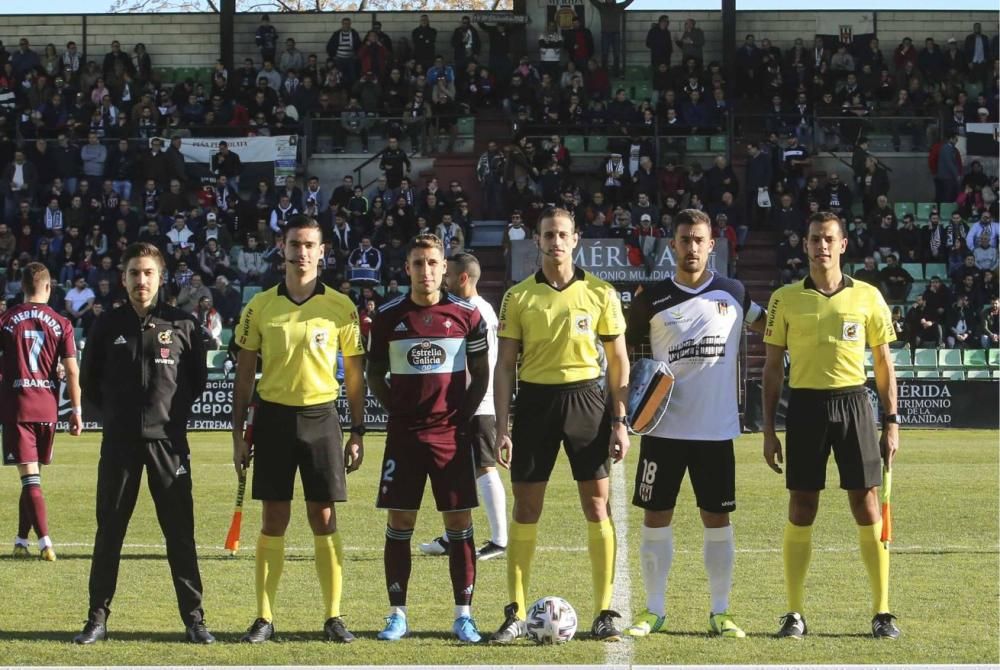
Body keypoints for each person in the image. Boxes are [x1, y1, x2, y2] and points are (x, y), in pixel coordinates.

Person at [623, 210, 766, 638]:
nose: (691, 247)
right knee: (655, 518)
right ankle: (653, 610)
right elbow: (622, 349)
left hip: (715, 431)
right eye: (684, 240)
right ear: (673, 245)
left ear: (711, 245)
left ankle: (720, 612)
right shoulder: (651, 296)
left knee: (717, 521)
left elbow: (772, 326)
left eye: (699, 240)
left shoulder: (734, 293)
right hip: (663, 429)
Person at [490, 207, 630, 643]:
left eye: (562, 234)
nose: (555, 241)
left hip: (587, 401)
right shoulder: (518, 297)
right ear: (537, 240)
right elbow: (505, 366)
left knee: (597, 506)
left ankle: (605, 610)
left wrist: (619, 420)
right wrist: (502, 426)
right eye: (548, 234)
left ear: (576, 240)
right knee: (526, 508)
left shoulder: (602, 293)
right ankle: (514, 612)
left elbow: (619, 361)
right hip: (535, 403)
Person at [762, 211, 901, 641]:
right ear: (804, 245)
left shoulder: (869, 297)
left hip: (855, 404)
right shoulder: (784, 299)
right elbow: (771, 368)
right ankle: (794, 612)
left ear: (843, 245)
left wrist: (891, 422)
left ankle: (882, 611)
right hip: (804, 407)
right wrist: (768, 430)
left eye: (829, 239)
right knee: (803, 506)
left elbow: (883, 364)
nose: (821, 246)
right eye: (814, 239)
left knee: (867, 504)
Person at [232, 214, 366, 644]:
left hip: (321, 418)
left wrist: (358, 430)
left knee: (323, 516)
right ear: (283, 248)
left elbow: (356, 375)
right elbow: (244, 374)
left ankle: (333, 616)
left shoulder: (341, 307)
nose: (302, 252)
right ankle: (264, 618)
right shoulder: (260, 306)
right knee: (274, 518)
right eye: (295, 244)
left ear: (322, 251)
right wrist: (238, 435)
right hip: (273, 419)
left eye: (310, 245)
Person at [75, 242, 212, 645]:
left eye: (148, 273)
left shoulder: (183, 324)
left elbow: (196, 383)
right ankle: (97, 619)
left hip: (169, 447)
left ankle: (195, 619)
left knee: (180, 534)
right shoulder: (106, 325)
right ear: (123, 278)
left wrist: (169, 422)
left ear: (160, 277)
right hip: (119, 446)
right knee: (109, 532)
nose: (141, 280)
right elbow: (89, 383)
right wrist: (118, 421)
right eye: (134, 273)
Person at [366, 236, 490, 643]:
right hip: (404, 435)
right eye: (418, 263)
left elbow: (481, 375)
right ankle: (397, 614)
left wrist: (461, 418)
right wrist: (397, 412)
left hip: (449, 435)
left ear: (444, 269)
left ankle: (463, 615)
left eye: (432, 263)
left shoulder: (467, 315)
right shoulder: (387, 316)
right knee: (400, 520)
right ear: (407, 268)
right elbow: (373, 374)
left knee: (459, 522)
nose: (425, 270)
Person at [419, 253, 508, 561]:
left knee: (484, 467)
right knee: (456, 469)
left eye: (448, 275)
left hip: (477, 403)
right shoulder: (474, 309)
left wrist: (474, 399)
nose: (442, 281)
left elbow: (487, 363)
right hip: (463, 402)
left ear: (462, 279)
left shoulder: (477, 312)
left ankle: (499, 540)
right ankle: (451, 535)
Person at [1, 263, 83, 561]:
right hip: (48, 409)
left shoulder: (7, 320)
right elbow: (72, 371)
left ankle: (45, 542)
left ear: (22, 287)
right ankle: (22, 540)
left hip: (18, 407)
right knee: (32, 476)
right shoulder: (62, 322)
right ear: (48, 287)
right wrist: (76, 410)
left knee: (29, 478)